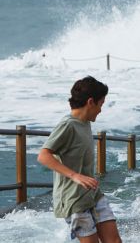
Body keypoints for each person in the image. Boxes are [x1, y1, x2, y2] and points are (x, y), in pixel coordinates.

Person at [37, 76, 122, 243]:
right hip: (73, 199)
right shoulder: (68, 125)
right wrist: (75, 176)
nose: (100, 110)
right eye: (101, 104)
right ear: (91, 102)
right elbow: (44, 155)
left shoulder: (85, 122)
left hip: (92, 194)